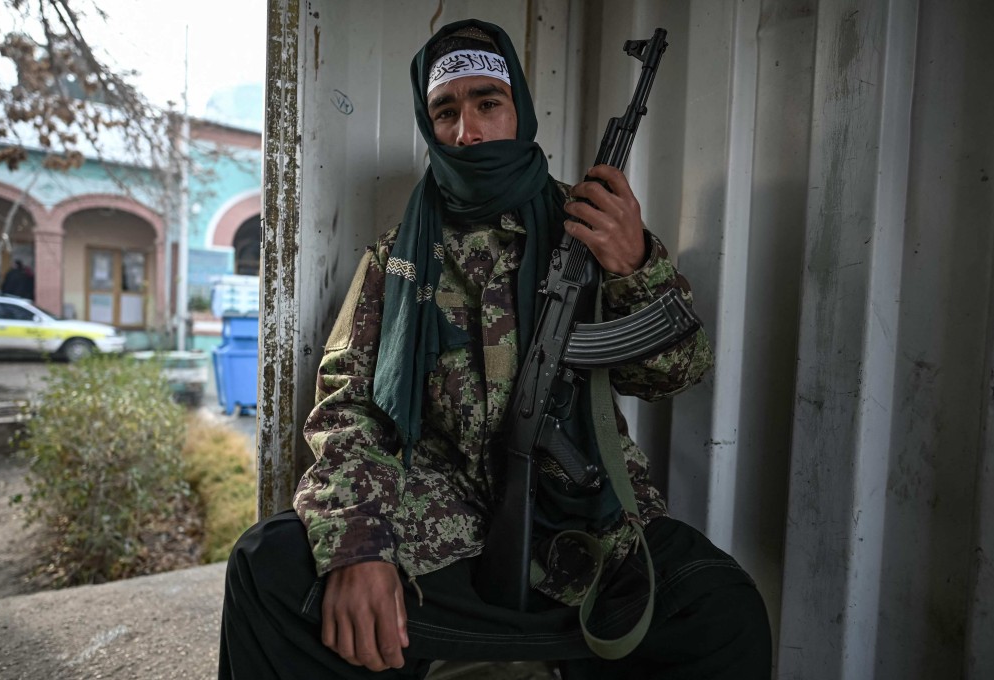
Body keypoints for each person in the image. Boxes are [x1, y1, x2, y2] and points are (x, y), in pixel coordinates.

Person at [220, 19, 771, 679]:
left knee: (722, 605)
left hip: (585, 537)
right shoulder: (396, 257)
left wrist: (634, 266)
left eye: (487, 103)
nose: (467, 131)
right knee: (264, 567)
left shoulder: (595, 226)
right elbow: (347, 409)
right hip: (434, 540)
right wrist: (358, 547)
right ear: (429, 126)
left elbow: (674, 374)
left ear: (521, 111)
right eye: (445, 111)